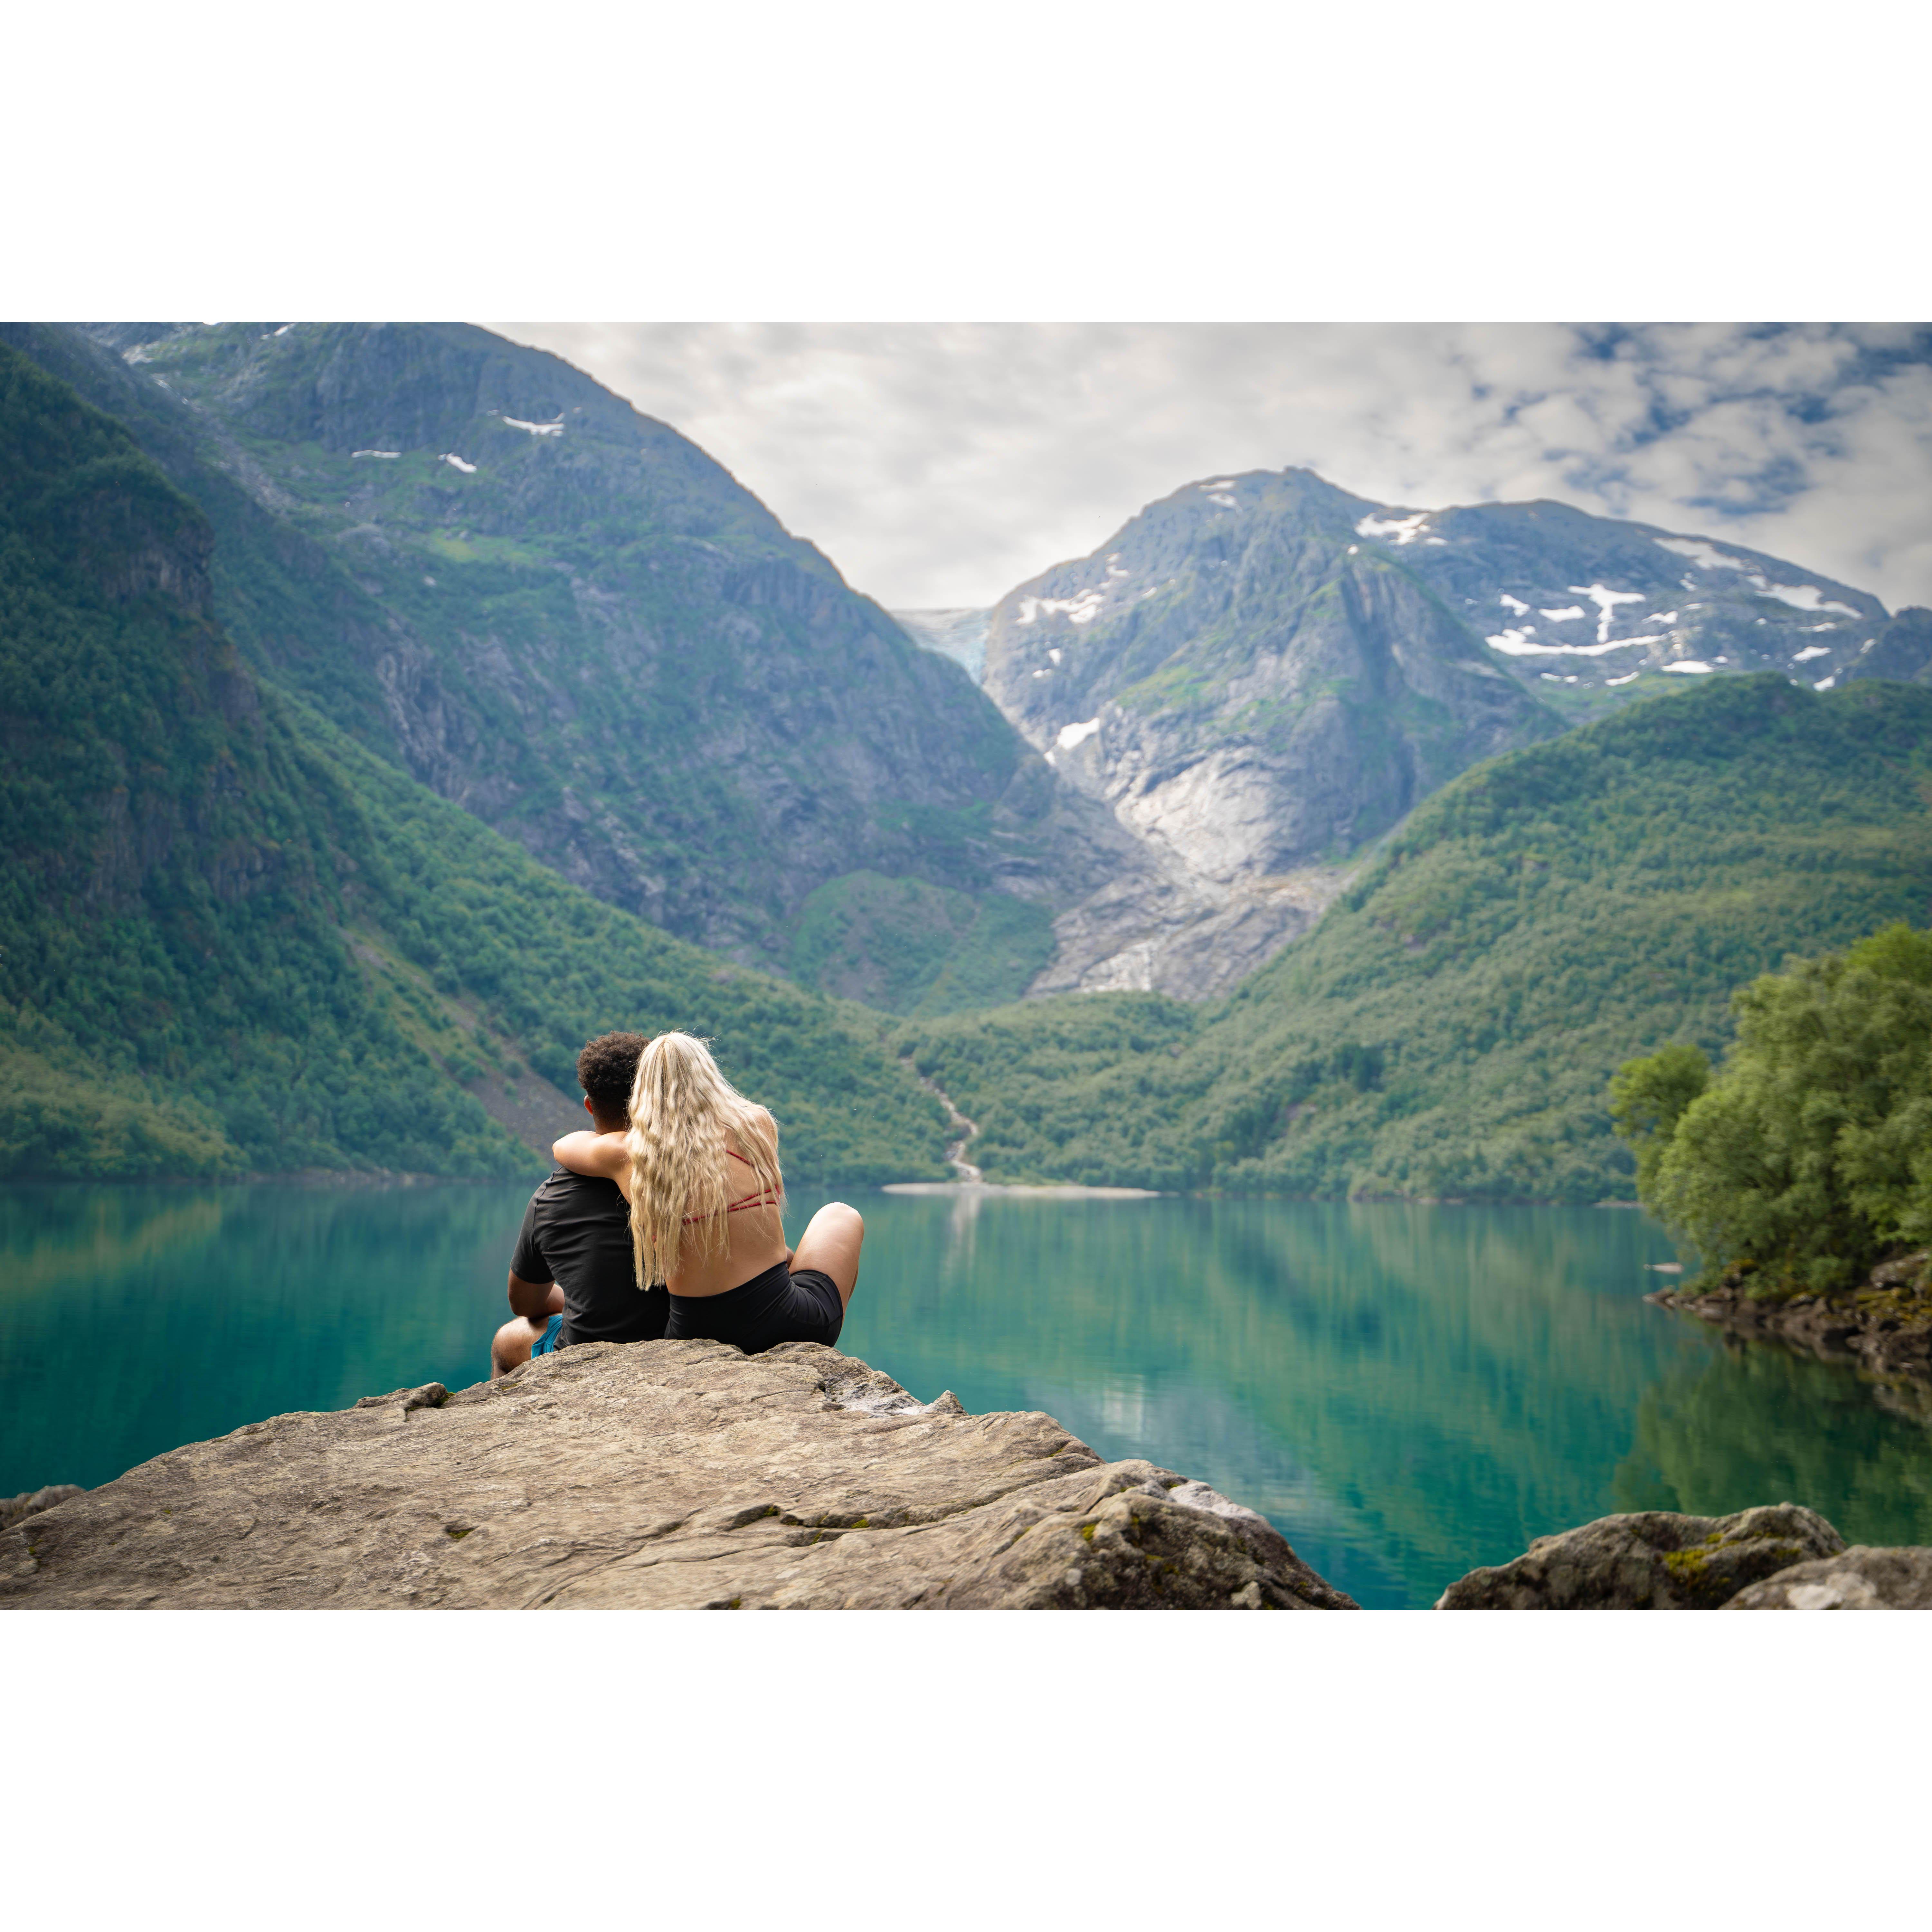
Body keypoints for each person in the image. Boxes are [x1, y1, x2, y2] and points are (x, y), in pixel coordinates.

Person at [550, 1030, 863, 1355]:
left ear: (641, 1091)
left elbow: (564, 1146)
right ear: (709, 1075)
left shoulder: (628, 1154)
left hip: (692, 1339)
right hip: (789, 1325)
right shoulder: (756, 1126)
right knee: (840, 1214)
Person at [490, 1031, 669, 1377]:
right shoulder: (685, 1179)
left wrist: (574, 1297)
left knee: (507, 1339)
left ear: (589, 1105)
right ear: (656, 1100)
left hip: (588, 1356)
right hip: (683, 1344)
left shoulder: (551, 1196)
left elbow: (525, 1304)